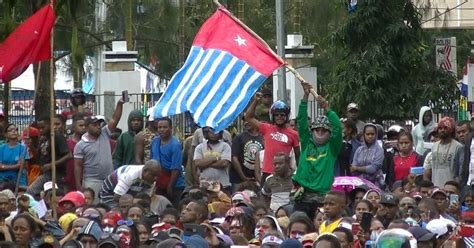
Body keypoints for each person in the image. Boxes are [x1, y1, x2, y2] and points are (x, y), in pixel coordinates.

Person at [292, 83, 342, 219]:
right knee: (296, 223)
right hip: (302, 196)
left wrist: (327, 109)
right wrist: (305, 97)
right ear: (312, 130)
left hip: (322, 197)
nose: (320, 132)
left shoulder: (332, 147)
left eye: (324, 130)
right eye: (317, 129)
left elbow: (338, 128)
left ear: (329, 132)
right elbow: (301, 122)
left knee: (320, 227)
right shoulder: (306, 142)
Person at [74, 99, 123, 201]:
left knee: (109, 205)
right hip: (92, 181)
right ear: (87, 127)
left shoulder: (104, 134)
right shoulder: (81, 145)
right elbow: (78, 166)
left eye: (99, 124)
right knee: (94, 206)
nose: (98, 127)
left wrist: (119, 104)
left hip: (109, 180)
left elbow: (115, 119)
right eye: (95, 125)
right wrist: (78, 185)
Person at [245, 92, 300, 183]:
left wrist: (299, 175)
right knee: (265, 197)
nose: (279, 117)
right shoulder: (266, 128)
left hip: (284, 174)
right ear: (272, 116)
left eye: (282, 115)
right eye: (276, 115)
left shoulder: (294, 134)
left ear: (287, 116)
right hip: (267, 172)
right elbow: (248, 117)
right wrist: (255, 101)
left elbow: (298, 156)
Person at [26, 116, 71, 197]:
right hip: (44, 173)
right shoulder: (43, 139)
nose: (41, 130)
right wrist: (31, 147)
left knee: (30, 192)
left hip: (56, 173)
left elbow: (69, 155)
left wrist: (52, 164)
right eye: (39, 128)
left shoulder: (57, 136)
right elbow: (38, 159)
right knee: (46, 197)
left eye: (43, 127)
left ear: (50, 125)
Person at [150, 117, 185, 206]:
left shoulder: (175, 145)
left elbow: (176, 169)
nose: (162, 130)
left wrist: (170, 186)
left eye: (165, 127)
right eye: (159, 127)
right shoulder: (154, 142)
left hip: (174, 184)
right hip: (159, 182)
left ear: (170, 128)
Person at [423, 117, 464, 187]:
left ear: (451, 129)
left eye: (445, 128)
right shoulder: (434, 146)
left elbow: (461, 172)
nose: (442, 130)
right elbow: (428, 171)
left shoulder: (458, 147)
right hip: (435, 188)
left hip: (451, 189)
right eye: (440, 128)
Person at [193, 128, 232, 193]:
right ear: (206, 133)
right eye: (211, 132)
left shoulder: (225, 146)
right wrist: (215, 159)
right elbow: (197, 163)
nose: (214, 134)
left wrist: (205, 164)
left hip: (223, 185)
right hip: (205, 185)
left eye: (216, 132)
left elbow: (224, 163)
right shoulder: (199, 147)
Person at [230, 116, 263, 190]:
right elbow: (234, 157)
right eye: (244, 121)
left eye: (248, 120)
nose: (246, 123)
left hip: (259, 180)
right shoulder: (239, 138)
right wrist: (243, 176)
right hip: (239, 180)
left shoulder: (263, 137)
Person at [351, 124, 385, 188]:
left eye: (372, 134)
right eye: (367, 134)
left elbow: (373, 169)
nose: (370, 136)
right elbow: (353, 168)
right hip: (360, 183)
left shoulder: (379, 150)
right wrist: (356, 168)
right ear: (364, 135)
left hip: (376, 183)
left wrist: (357, 168)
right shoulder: (359, 150)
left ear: (376, 135)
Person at [65, 113, 86, 192]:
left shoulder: (88, 143)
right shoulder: (67, 143)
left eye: (85, 125)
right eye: (80, 125)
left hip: (84, 178)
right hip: (70, 179)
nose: (83, 128)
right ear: (74, 126)